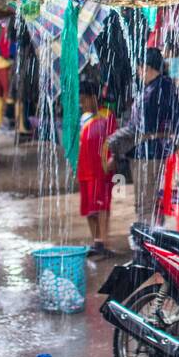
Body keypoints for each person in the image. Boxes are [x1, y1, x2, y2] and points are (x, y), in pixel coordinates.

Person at [128, 47, 177, 225]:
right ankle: (151, 238)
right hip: (144, 152)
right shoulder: (151, 88)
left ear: (147, 67)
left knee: (147, 202)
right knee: (146, 201)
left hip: (152, 152)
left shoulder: (162, 87)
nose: (138, 72)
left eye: (139, 68)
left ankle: (149, 242)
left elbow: (169, 120)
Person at [77, 82, 117, 258]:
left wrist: (113, 159)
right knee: (88, 208)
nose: (83, 104)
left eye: (85, 100)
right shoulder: (83, 119)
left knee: (102, 206)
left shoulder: (107, 115)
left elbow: (115, 140)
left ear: (93, 98)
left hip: (101, 169)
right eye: (81, 101)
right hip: (85, 169)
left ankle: (104, 242)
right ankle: (96, 242)